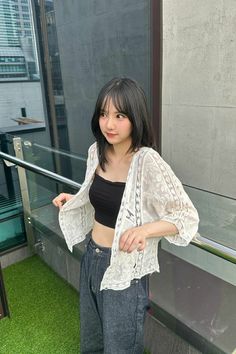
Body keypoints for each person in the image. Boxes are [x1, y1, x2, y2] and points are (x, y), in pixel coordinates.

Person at [52, 77, 199, 354]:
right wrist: (75, 200)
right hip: (91, 258)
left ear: (135, 117)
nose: (109, 124)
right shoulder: (96, 152)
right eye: (104, 114)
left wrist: (145, 230)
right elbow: (104, 202)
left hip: (125, 268)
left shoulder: (147, 161)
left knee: (120, 347)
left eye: (119, 115)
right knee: (92, 338)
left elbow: (186, 216)